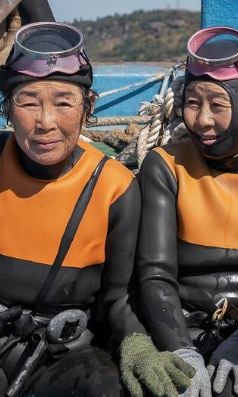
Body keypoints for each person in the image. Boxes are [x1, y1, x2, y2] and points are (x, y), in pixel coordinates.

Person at [0, 21, 165, 397]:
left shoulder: (115, 187)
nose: (46, 122)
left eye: (63, 102)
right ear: (8, 109)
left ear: (88, 108)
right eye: (27, 102)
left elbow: (118, 298)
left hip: (63, 356)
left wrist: (138, 345)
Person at [136, 26, 238, 397]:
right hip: (183, 330)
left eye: (218, 105)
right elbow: (154, 273)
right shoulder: (165, 166)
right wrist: (181, 350)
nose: (202, 121)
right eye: (192, 103)